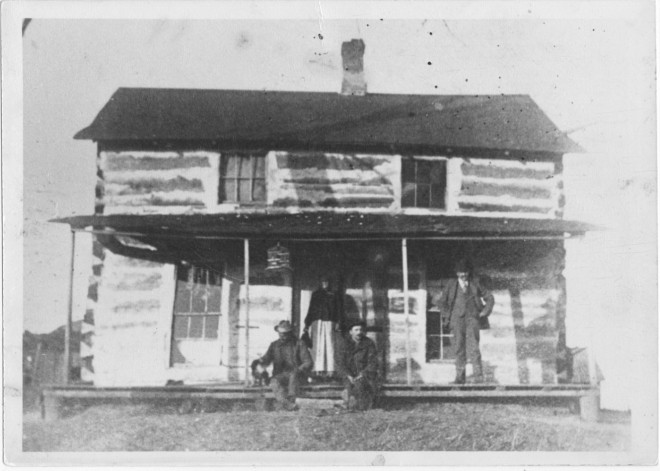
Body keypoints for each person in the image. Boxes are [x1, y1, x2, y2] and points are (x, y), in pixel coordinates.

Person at [438, 258, 494, 384]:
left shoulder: (475, 283)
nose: (463, 275)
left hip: (472, 320)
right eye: (460, 272)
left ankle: (478, 378)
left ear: (469, 272)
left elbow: (489, 298)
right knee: (459, 348)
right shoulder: (451, 285)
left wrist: (484, 312)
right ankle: (459, 378)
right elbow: (441, 302)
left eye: (465, 272)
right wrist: (449, 315)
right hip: (457, 321)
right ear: (456, 273)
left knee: (474, 348)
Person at [256, 320, 313, 411]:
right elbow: (266, 359)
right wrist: (259, 363)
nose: (282, 336)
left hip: (297, 376)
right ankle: (288, 404)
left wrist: (299, 369)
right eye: (280, 334)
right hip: (280, 376)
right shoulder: (274, 345)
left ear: (290, 333)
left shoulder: (299, 344)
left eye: (285, 334)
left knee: (293, 375)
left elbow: (308, 362)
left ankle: (292, 399)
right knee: (274, 381)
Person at [303, 275, 343, 378]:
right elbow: (311, 309)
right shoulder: (316, 294)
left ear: (330, 283)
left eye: (327, 281)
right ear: (320, 283)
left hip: (330, 322)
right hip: (317, 322)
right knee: (317, 346)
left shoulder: (334, 294)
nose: (325, 284)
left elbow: (339, 309)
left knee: (330, 346)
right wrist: (307, 324)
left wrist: (339, 321)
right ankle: (318, 370)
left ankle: (331, 370)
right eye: (323, 281)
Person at [336, 320, 379, 411]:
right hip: (348, 374)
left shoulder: (369, 343)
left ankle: (353, 404)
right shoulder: (344, 344)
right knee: (349, 385)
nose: (359, 332)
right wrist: (348, 375)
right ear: (350, 332)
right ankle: (349, 402)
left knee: (360, 385)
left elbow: (373, 362)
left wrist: (363, 374)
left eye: (361, 330)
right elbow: (340, 362)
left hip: (365, 374)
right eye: (356, 330)